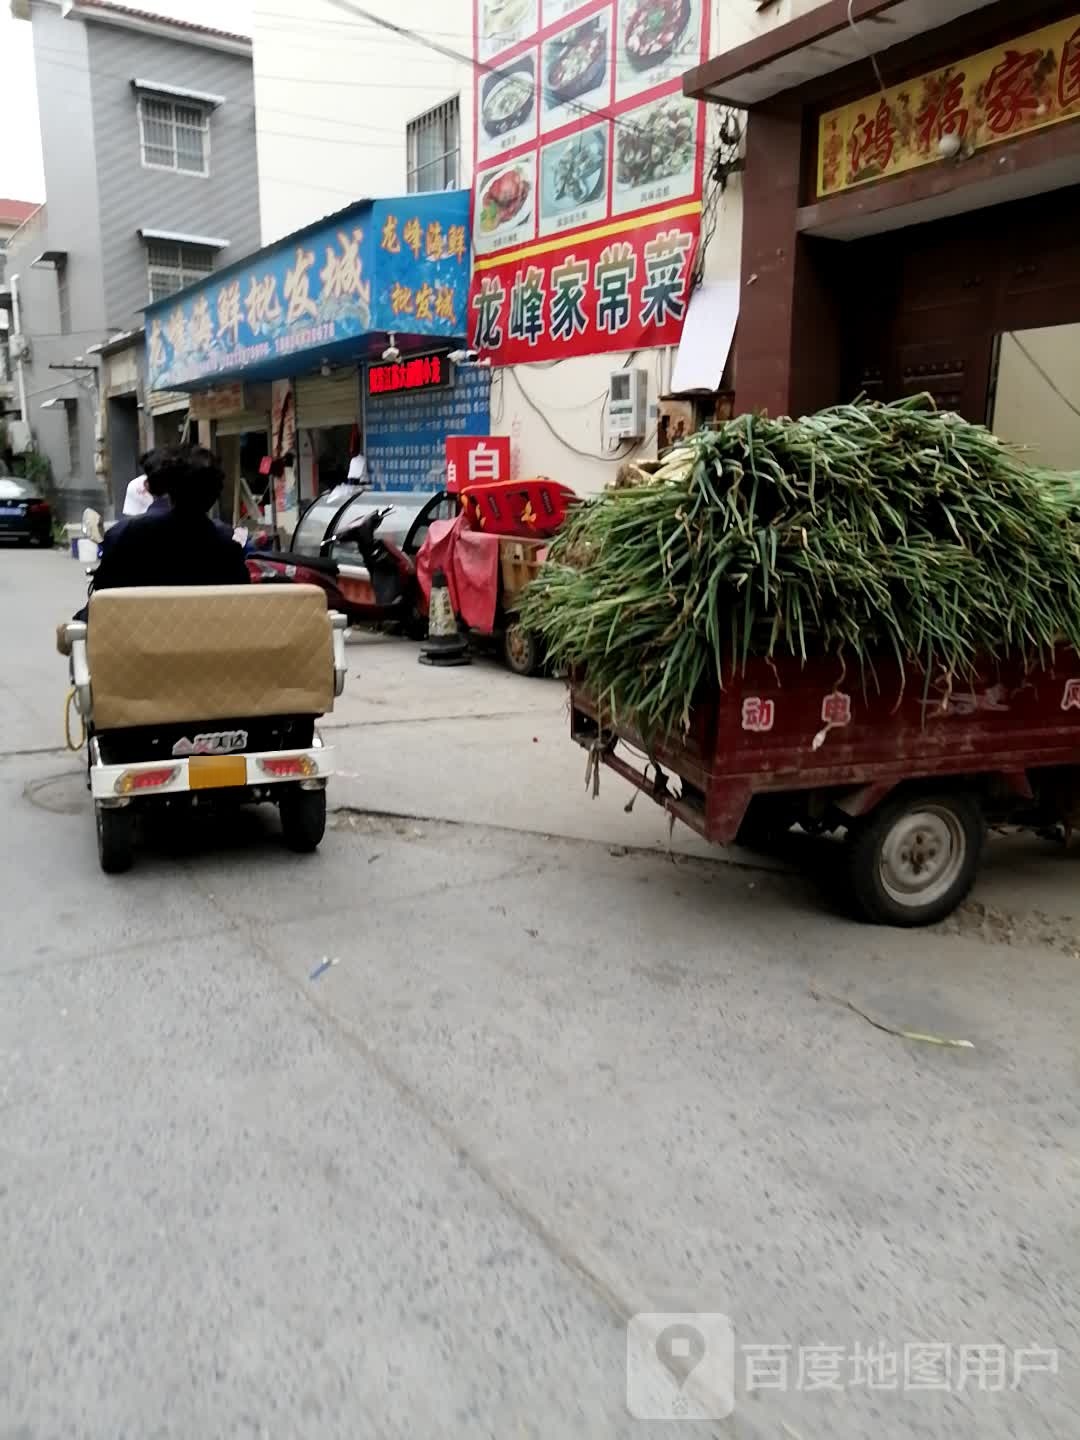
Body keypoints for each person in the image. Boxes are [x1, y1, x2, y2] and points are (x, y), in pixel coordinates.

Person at [88, 446, 250, 595]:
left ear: (167, 489)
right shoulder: (227, 546)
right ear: (214, 496)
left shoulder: (125, 534)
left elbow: (102, 597)